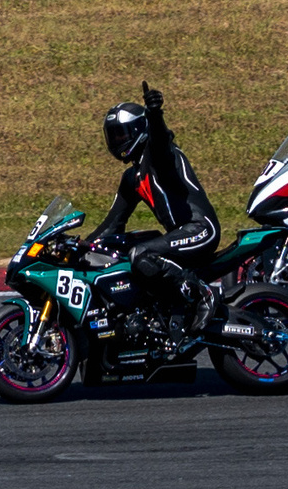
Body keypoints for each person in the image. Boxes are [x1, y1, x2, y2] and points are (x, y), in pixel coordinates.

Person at [88, 83, 223, 335]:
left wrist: (154, 114)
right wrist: (81, 247)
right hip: (179, 235)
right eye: (114, 135)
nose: (118, 141)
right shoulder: (132, 178)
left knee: (141, 254)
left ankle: (205, 295)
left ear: (140, 130)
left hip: (200, 229)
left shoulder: (159, 155)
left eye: (122, 134)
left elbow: (161, 140)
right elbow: (113, 224)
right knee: (127, 250)